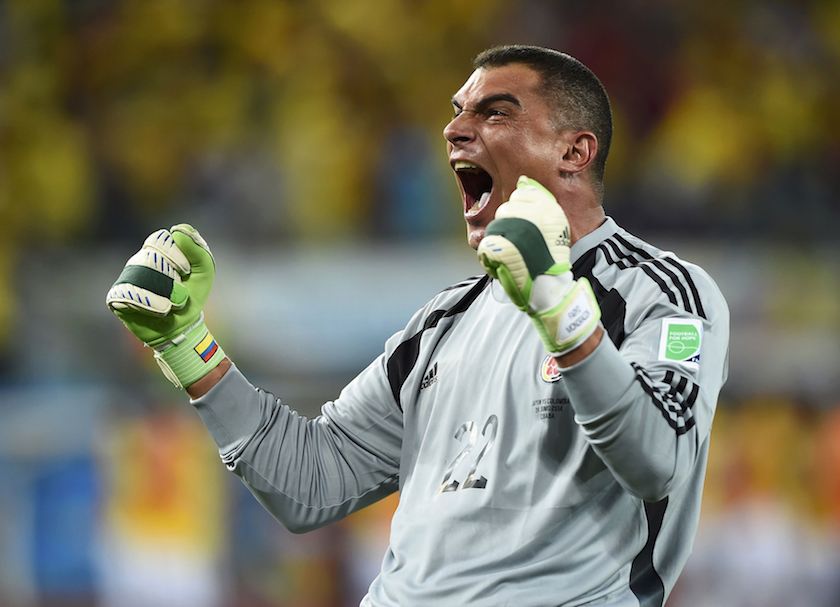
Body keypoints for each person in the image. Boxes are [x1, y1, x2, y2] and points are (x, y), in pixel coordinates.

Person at [106, 45, 729, 607]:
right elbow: (311, 483)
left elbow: (658, 460)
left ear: (574, 151)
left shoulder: (659, 291)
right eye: (458, 112)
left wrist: (556, 304)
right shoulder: (442, 322)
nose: (454, 130)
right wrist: (187, 347)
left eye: (495, 113)